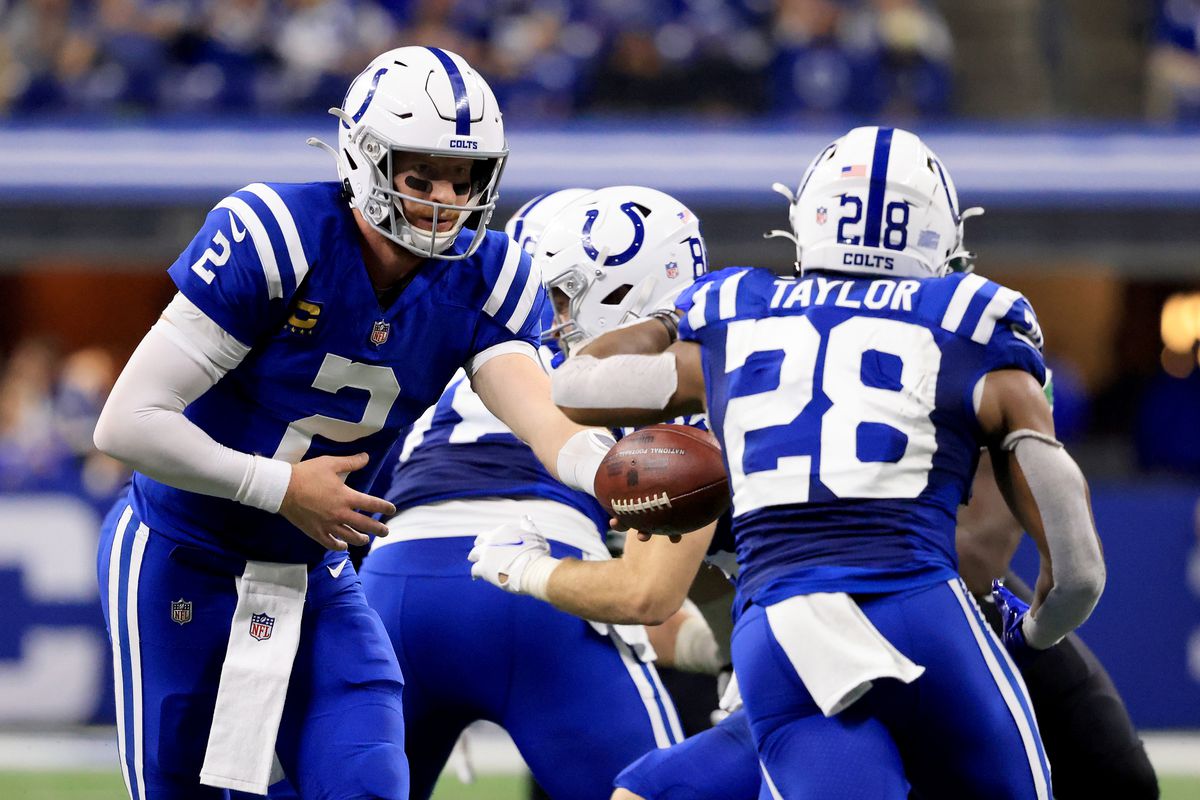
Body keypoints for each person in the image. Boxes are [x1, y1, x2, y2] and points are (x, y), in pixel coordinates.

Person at [91, 46, 617, 800]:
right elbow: (127, 423)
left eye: (462, 178)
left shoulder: (488, 273)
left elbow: (539, 414)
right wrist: (278, 487)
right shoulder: (279, 234)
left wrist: (605, 472)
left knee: (367, 783)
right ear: (367, 160)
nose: (445, 199)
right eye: (421, 175)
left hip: (313, 573)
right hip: (182, 553)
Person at [546, 126, 1107, 798]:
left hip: (776, 633)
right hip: (918, 609)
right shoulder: (969, 319)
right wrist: (1043, 625)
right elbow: (1077, 569)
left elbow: (575, 386)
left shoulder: (733, 313)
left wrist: (675, 317)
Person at [358, 185, 715, 800]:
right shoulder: (665, 378)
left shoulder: (466, 363)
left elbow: (381, 498)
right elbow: (645, 591)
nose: (556, 314)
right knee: (663, 788)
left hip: (389, 590)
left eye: (561, 294)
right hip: (534, 595)